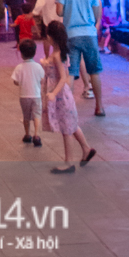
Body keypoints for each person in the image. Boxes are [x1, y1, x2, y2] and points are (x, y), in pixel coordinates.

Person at [41, 22, 96, 172]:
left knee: (66, 128)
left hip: (61, 96)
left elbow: (63, 78)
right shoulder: (59, 53)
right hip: (62, 95)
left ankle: (68, 161)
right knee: (71, 123)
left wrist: (53, 93)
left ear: (52, 38)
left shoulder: (58, 56)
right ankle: (86, 148)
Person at [56, 0, 105, 117]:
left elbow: (59, 11)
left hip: (70, 34)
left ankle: (68, 108)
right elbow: (96, 11)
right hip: (89, 34)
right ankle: (99, 107)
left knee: (71, 72)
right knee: (94, 72)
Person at [12, 36, 44, 147]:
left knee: (26, 116)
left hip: (24, 96)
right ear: (35, 52)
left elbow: (15, 81)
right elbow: (42, 79)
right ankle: (36, 134)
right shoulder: (38, 67)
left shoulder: (19, 67)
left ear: (21, 53)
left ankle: (27, 134)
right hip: (36, 95)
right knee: (37, 115)